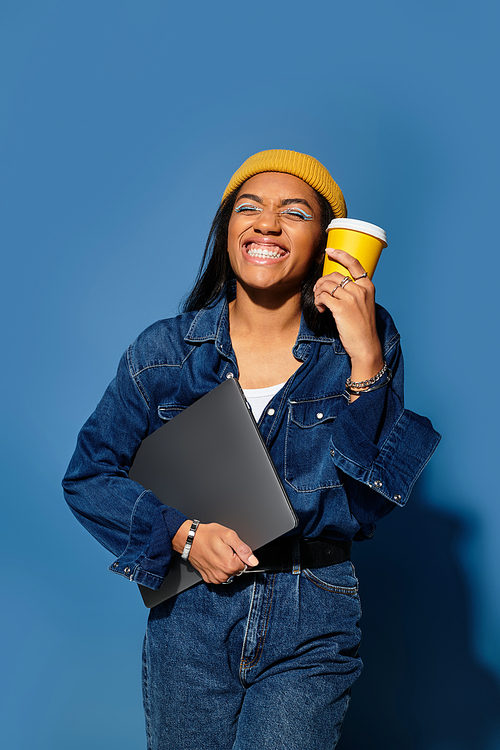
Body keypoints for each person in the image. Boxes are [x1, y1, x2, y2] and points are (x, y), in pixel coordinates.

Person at [63, 149, 440, 749]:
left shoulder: (364, 340)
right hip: (190, 619)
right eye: (249, 207)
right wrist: (182, 533)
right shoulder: (165, 352)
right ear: (228, 231)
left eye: (294, 212)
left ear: (326, 243)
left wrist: (365, 357)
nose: (266, 223)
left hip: (312, 607)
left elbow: (365, 509)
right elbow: (88, 475)